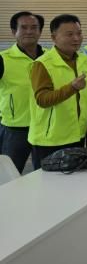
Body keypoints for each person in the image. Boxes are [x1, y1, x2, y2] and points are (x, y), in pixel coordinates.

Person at [29, 14, 87, 169]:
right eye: (69, 34)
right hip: (50, 139)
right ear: (54, 37)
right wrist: (72, 87)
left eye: (79, 33)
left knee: (75, 179)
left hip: (78, 133)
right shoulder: (42, 64)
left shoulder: (83, 59)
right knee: (49, 182)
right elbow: (42, 99)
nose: (76, 38)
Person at [0, 12, 46, 172]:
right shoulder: (3, 59)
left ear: (40, 31)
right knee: (9, 173)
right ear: (14, 32)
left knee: (46, 173)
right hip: (15, 128)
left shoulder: (49, 57)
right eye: (24, 27)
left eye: (34, 27)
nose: (29, 31)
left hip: (45, 126)